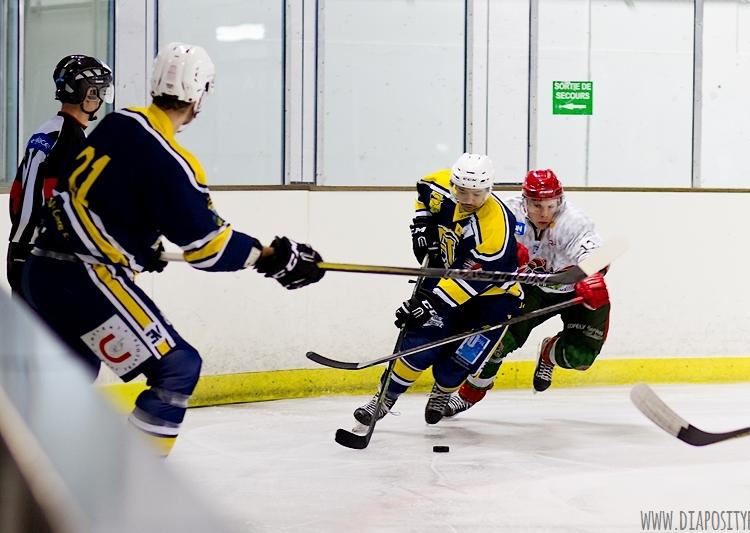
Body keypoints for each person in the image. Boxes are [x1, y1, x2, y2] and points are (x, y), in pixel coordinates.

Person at [21, 42, 325, 456]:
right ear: (199, 95)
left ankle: (38, 466)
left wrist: (142, 245)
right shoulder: (170, 160)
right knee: (177, 367)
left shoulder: (117, 123)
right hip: (83, 278)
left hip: (41, 269)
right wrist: (271, 257)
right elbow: (208, 249)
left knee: (70, 374)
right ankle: (135, 480)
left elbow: (97, 197)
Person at [352, 153, 523, 426]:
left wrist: (430, 303)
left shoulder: (497, 225)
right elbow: (423, 191)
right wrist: (422, 225)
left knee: (459, 361)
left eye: (477, 193)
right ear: (453, 184)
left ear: (489, 189)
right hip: (446, 279)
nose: (469, 199)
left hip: (493, 299)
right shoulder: (440, 187)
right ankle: (383, 400)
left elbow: (474, 279)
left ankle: (442, 392)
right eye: (462, 191)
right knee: (419, 344)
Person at [445, 168, 611, 417]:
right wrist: (498, 258)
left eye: (551, 205)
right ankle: (469, 394)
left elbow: (596, 251)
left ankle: (549, 354)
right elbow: (478, 239)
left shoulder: (574, 221)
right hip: (530, 289)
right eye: (536, 205)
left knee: (580, 358)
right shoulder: (507, 212)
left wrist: (593, 274)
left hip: (575, 291)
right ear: (525, 201)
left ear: (560, 201)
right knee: (494, 342)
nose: (544, 213)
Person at [7, 55, 113, 296]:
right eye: (98, 92)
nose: (100, 99)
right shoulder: (72, 139)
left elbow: (17, 194)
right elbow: (61, 201)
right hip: (46, 255)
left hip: (18, 249)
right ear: (88, 93)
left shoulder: (45, 130)